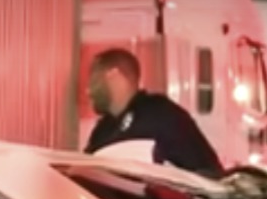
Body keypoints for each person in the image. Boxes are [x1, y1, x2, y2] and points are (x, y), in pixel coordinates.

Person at [83, 48, 223, 176]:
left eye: (95, 80)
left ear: (113, 76)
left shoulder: (161, 114)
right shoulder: (102, 130)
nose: (88, 91)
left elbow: (209, 173)